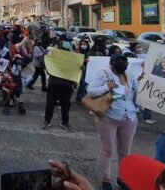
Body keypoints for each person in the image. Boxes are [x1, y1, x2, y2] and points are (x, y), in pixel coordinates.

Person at [87, 54, 139, 190]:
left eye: (126, 62)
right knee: (108, 149)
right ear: (112, 63)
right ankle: (106, 179)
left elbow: (134, 94)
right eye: (121, 62)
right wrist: (106, 87)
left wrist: (141, 83)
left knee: (125, 152)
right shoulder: (103, 73)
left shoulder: (130, 75)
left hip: (129, 117)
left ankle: (122, 178)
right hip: (108, 117)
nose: (124, 64)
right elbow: (91, 92)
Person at [42, 36, 77, 132]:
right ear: (60, 42)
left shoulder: (74, 55)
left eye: (68, 41)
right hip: (54, 81)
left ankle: (65, 122)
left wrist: (81, 67)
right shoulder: (52, 51)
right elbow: (44, 64)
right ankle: (47, 120)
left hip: (67, 83)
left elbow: (78, 67)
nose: (66, 43)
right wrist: (44, 57)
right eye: (64, 41)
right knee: (50, 102)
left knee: (66, 104)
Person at [75, 39, 90, 103]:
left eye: (85, 44)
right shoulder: (78, 51)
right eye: (82, 44)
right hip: (80, 69)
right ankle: (78, 98)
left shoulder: (89, 51)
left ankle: (83, 95)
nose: (83, 45)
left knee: (85, 83)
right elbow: (76, 61)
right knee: (83, 84)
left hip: (88, 69)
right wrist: (84, 61)